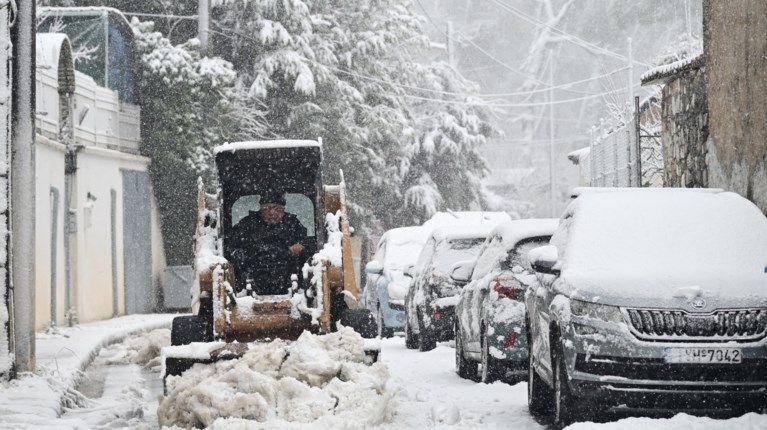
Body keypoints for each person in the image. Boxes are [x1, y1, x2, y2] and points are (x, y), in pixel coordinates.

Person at [228, 191, 308, 295]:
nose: (272, 213)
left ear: (283, 210)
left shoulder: (293, 223)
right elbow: (229, 245)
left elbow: (308, 243)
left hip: (289, 278)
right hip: (250, 278)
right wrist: (240, 252)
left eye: (277, 209)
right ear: (261, 209)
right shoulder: (247, 224)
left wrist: (301, 246)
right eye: (268, 208)